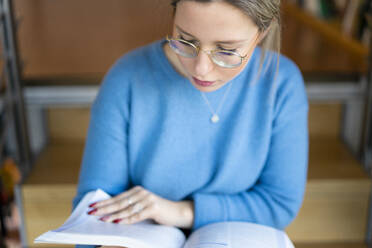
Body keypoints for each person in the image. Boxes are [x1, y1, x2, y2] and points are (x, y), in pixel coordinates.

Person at [73, 0, 308, 246]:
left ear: (263, 32)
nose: (202, 69)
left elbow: (279, 203)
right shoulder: (127, 79)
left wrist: (180, 211)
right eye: (186, 40)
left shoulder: (281, 83)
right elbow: (94, 206)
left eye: (226, 50)